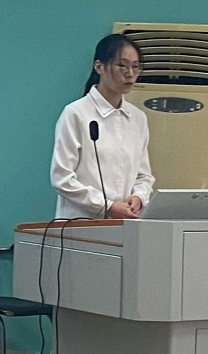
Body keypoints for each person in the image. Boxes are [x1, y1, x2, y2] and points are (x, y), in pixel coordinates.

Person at [50, 33, 154, 219]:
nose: (130, 73)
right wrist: (106, 206)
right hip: (80, 224)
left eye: (135, 67)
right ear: (99, 67)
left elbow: (144, 176)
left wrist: (139, 197)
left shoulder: (137, 118)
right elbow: (61, 178)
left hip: (124, 224)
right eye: (122, 65)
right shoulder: (76, 113)